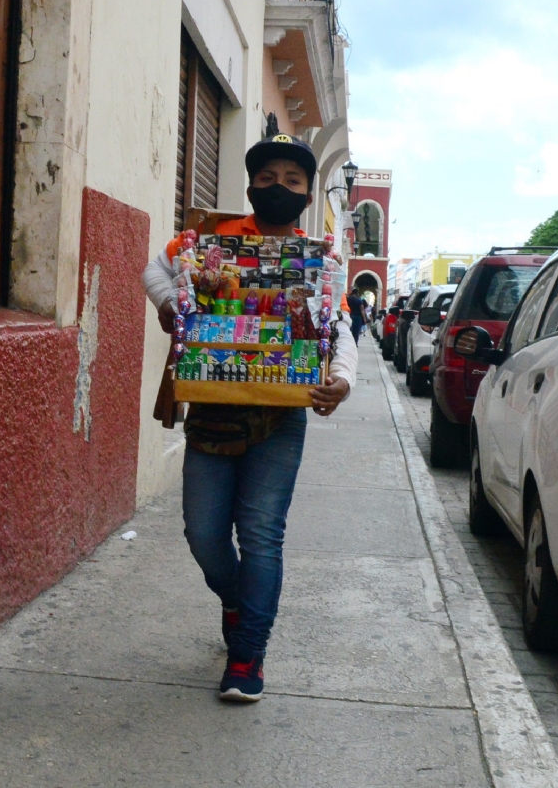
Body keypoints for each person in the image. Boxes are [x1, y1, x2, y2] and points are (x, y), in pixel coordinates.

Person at [143, 133, 356, 703]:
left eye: (292, 180)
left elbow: (340, 328)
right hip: (215, 403)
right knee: (204, 533)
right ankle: (237, 602)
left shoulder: (321, 260)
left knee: (262, 534)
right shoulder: (208, 241)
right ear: (250, 186)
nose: (278, 188)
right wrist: (170, 306)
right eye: (267, 178)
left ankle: (247, 655)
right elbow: (154, 272)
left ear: (308, 193)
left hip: (282, 416)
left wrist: (343, 379)